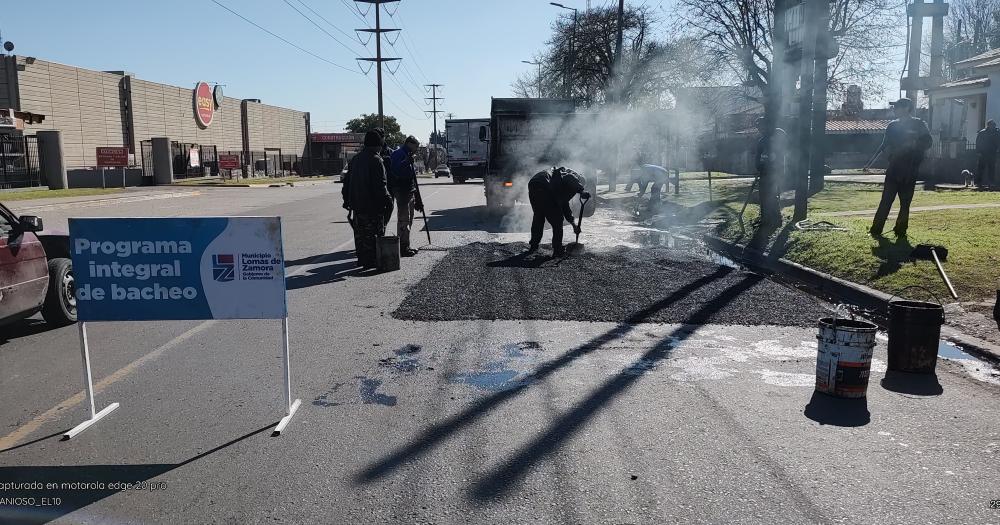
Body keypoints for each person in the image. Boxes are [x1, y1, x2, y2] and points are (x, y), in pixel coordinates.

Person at [869, 98, 932, 237]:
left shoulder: (919, 124)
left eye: (897, 107)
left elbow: (928, 142)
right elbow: (884, 145)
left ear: (906, 108)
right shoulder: (892, 126)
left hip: (910, 169)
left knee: (905, 202)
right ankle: (876, 230)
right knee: (886, 199)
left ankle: (901, 230)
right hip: (894, 168)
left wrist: (913, 144)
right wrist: (884, 156)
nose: (894, 109)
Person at [342, 130, 393, 269]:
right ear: (379, 145)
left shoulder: (356, 159)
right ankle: (371, 261)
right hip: (373, 207)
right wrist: (388, 201)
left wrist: (346, 200)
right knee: (374, 235)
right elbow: (380, 186)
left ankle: (362, 259)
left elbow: (346, 182)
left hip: (357, 206)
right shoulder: (376, 160)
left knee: (360, 235)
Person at [527, 167, 590, 257]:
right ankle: (557, 249)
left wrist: (573, 224)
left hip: (534, 184)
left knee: (539, 216)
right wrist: (581, 190)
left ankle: (534, 245)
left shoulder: (559, 182)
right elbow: (570, 178)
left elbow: (565, 206)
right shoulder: (569, 175)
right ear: (578, 181)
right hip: (544, 185)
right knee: (557, 220)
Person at [389, 135, 424, 257]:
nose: (417, 149)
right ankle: (403, 247)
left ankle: (406, 244)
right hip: (401, 190)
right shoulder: (399, 153)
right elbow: (394, 169)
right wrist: (406, 162)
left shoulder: (408, 154)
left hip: (409, 190)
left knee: (409, 218)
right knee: (404, 219)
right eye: (416, 146)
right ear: (410, 143)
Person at [755, 117, 788, 228]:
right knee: (763, 196)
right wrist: (759, 166)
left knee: (772, 196)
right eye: (758, 127)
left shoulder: (775, 137)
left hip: (774, 174)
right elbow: (758, 157)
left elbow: (778, 155)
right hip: (764, 173)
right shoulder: (761, 141)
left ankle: (776, 220)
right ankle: (766, 219)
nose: (760, 129)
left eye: (761, 126)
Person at [975, 120, 1000, 189]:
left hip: (992, 153)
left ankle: (991, 183)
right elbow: (978, 143)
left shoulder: (997, 132)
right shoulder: (982, 133)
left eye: (994, 125)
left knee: (992, 168)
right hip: (983, 153)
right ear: (988, 125)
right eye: (992, 125)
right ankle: (978, 183)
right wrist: (978, 152)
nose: (993, 126)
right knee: (981, 168)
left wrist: (998, 150)